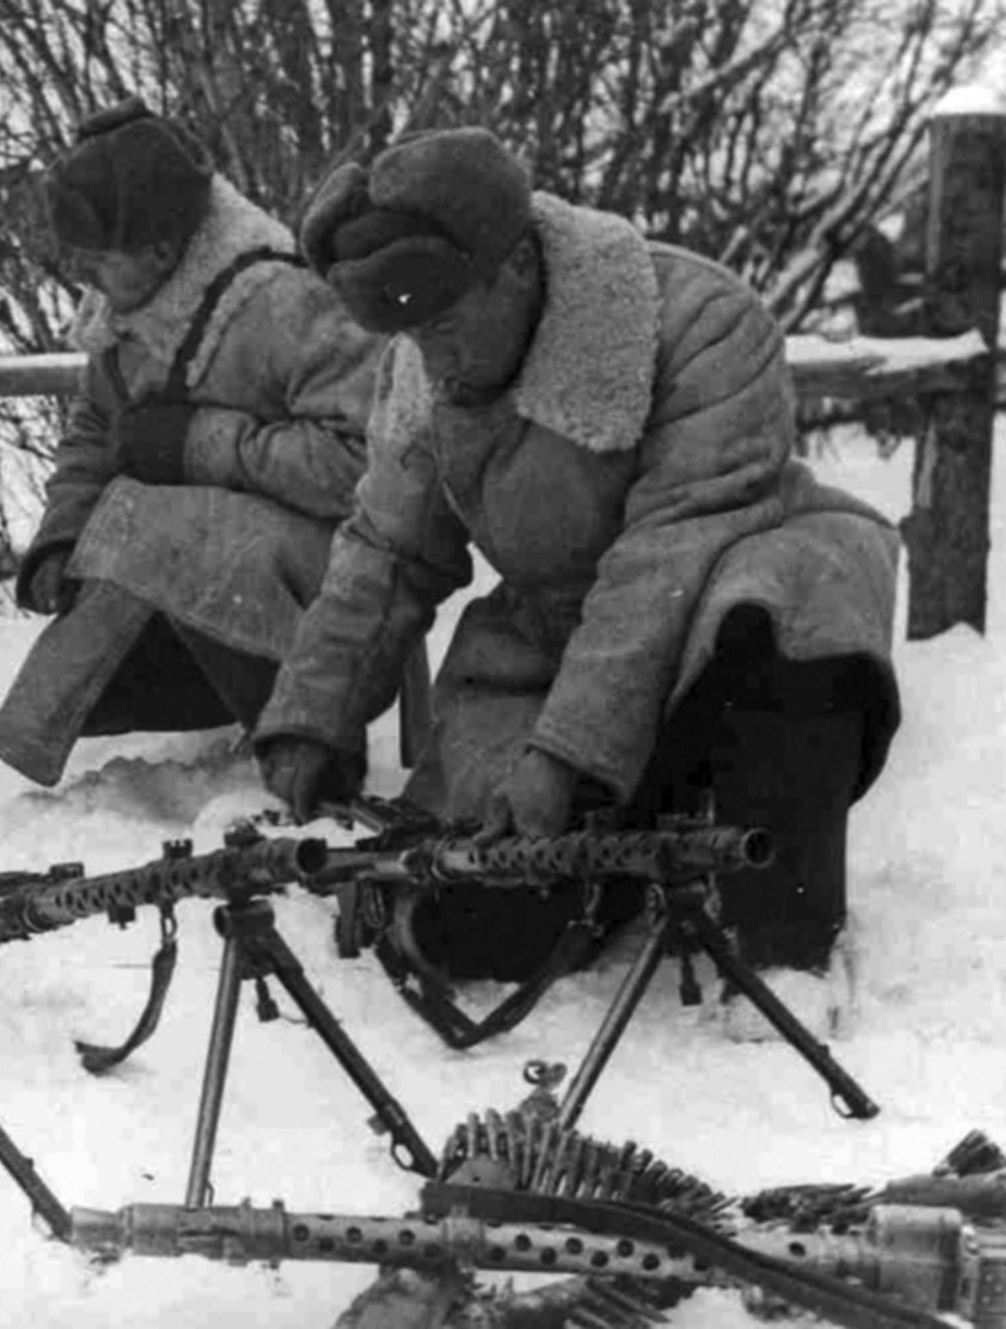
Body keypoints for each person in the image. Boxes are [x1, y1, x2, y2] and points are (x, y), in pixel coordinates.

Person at [254, 127, 901, 1032]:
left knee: (785, 613)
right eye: (409, 332)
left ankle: (785, 941)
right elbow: (388, 548)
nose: (428, 357)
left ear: (514, 264)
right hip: (561, 651)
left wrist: (564, 759)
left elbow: (668, 559)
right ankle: (641, 856)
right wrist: (312, 714)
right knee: (470, 927)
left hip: (731, 613)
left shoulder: (700, 319)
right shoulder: (423, 357)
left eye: (442, 324)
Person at [0, 100, 385, 786]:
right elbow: (93, 429)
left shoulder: (283, 303)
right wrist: (63, 533)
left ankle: (309, 749)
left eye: (95, 258)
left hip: (344, 600)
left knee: (157, 522)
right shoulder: (128, 307)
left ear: (161, 250)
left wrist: (204, 444)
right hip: (225, 578)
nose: (82, 276)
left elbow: (367, 469)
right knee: (103, 675)